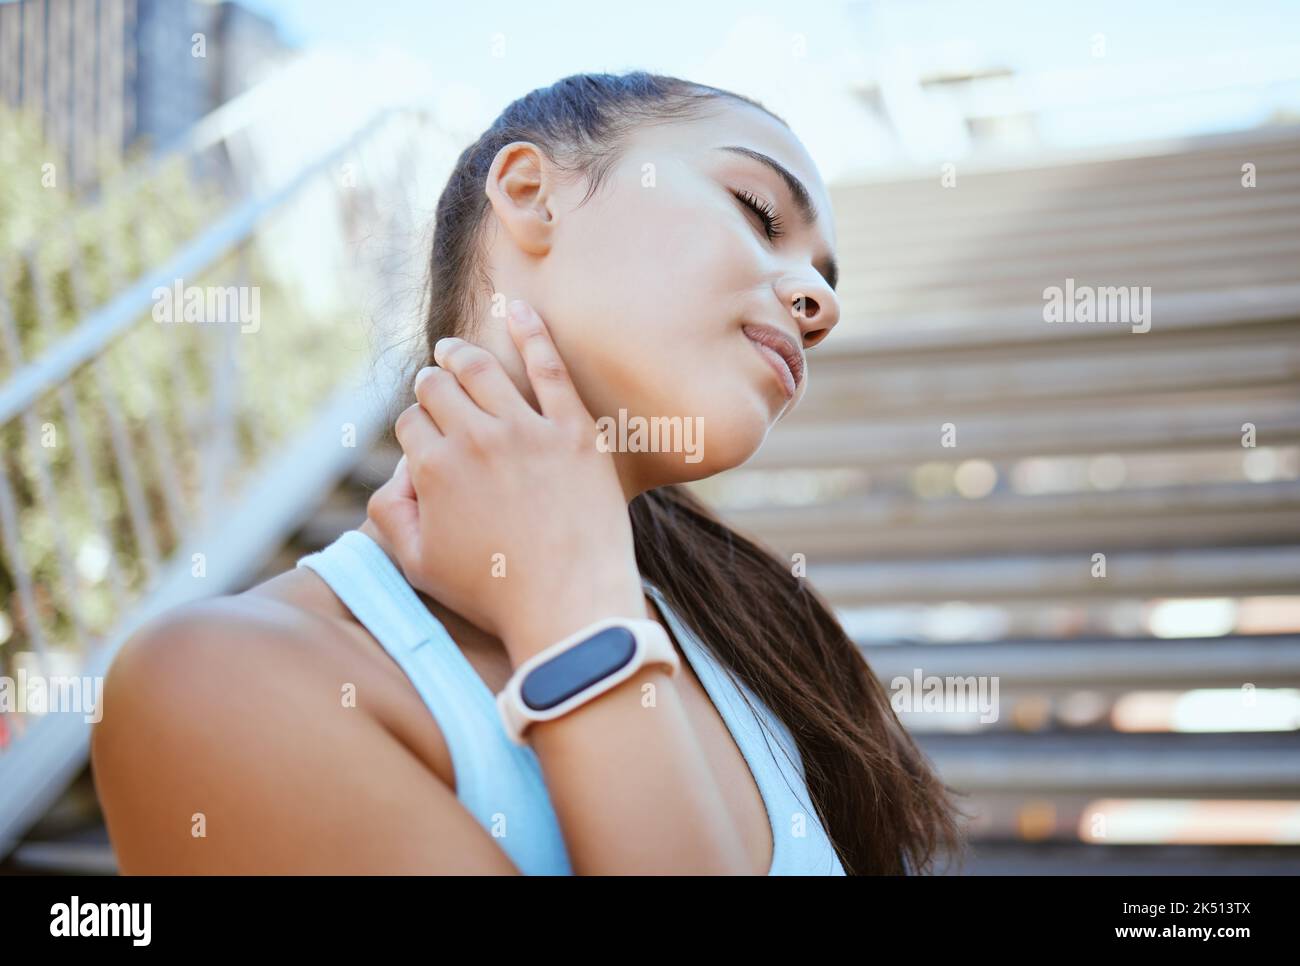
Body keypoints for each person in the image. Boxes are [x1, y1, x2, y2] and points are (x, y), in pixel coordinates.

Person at [91, 71, 968, 875]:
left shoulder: (766, 638)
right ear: (528, 193)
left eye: (823, 277)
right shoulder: (219, 682)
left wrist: (573, 597)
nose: (822, 304)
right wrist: (575, 617)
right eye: (758, 211)